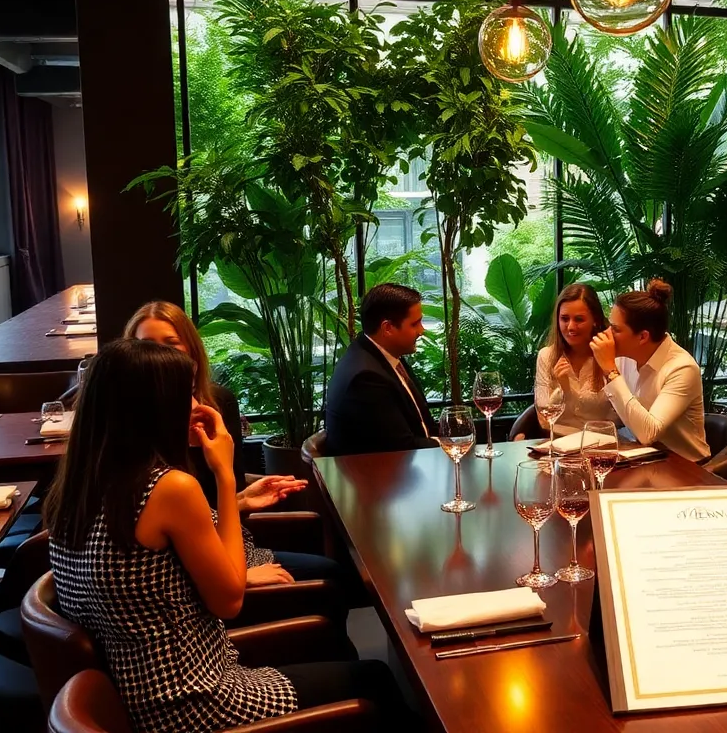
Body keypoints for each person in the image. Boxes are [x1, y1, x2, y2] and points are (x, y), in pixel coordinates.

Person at [44, 339, 417, 732]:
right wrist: (223, 474)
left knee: (353, 662)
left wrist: (233, 500)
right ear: (149, 409)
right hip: (194, 702)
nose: (196, 407)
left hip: (137, 695)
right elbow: (229, 599)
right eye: (185, 395)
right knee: (374, 680)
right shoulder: (169, 488)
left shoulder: (77, 488)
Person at [123, 301, 339, 587]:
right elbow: (160, 537)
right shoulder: (129, 429)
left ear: (192, 356)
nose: (161, 355)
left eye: (171, 344)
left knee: (331, 569)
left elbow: (209, 508)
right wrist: (239, 576)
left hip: (227, 542)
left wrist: (241, 499)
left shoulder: (218, 404)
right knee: (332, 575)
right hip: (186, 567)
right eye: (148, 345)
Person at [589, 280, 710, 462]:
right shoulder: (624, 357)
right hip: (642, 458)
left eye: (615, 329)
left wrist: (610, 371)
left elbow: (648, 433)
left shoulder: (682, 368)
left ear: (643, 336)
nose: (607, 334)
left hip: (687, 468)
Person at [325, 283, 439, 456]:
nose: (421, 331)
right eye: (415, 324)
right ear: (388, 328)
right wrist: (451, 444)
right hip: (379, 478)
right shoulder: (365, 378)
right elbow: (401, 447)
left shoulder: (383, 355)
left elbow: (421, 425)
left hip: (405, 468)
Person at [531, 284, 618, 437]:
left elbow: (619, 416)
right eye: (564, 319)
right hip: (557, 444)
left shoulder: (610, 355)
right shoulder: (546, 356)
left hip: (601, 445)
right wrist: (563, 391)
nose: (571, 326)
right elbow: (544, 418)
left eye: (579, 319)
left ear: (595, 320)